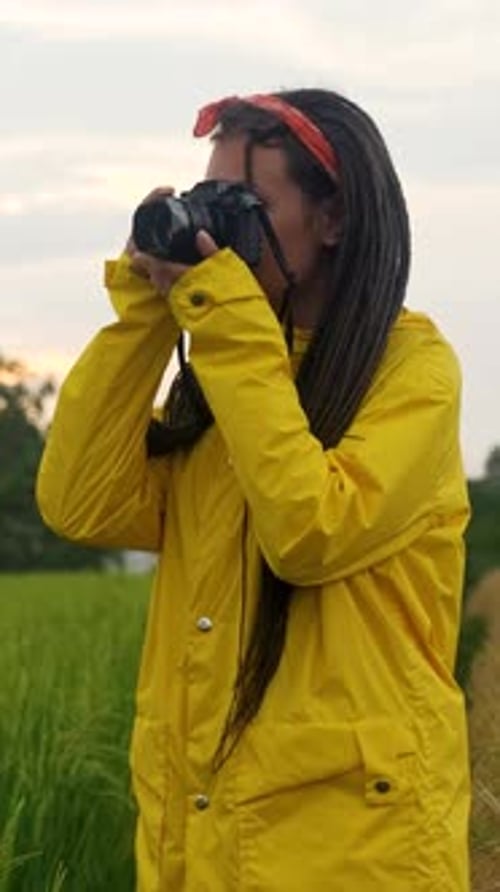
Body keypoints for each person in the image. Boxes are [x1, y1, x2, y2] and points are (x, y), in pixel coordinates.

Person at [36, 89, 471, 891]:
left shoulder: (412, 373)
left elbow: (311, 531)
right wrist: (147, 314)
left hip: (354, 853)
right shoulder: (227, 385)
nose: (218, 228)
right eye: (207, 201)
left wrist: (225, 321)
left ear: (333, 219)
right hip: (205, 841)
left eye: (245, 204)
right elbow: (80, 503)